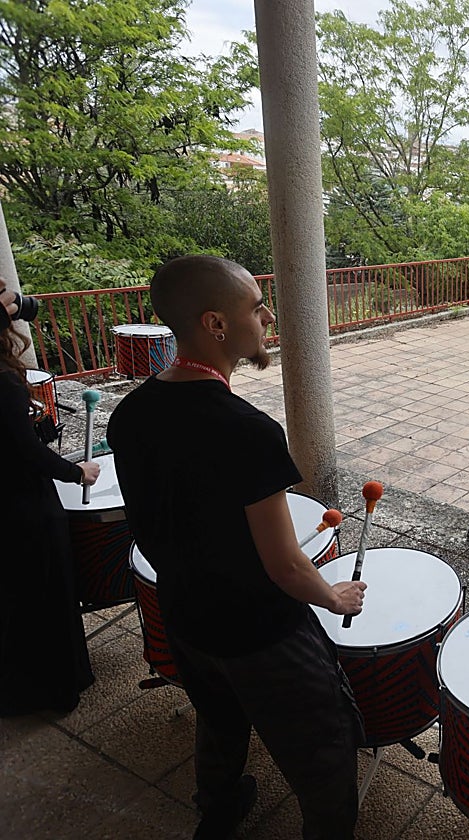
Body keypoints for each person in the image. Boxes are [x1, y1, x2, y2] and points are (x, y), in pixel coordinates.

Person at [107, 255, 367, 838]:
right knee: (325, 758)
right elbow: (285, 566)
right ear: (215, 324)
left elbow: (158, 522)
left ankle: (218, 808)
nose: (268, 315)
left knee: (219, 718)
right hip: (261, 637)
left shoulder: (129, 416)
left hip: (185, 617)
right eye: (255, 306)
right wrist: (333, 596)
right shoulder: (247, 432)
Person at [1, 279, 98, 718]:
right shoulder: (2, 381)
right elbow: (25, 453)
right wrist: (76, 470)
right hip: (21, 506)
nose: (17, 302)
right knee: (42, 591)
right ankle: (51, 690)